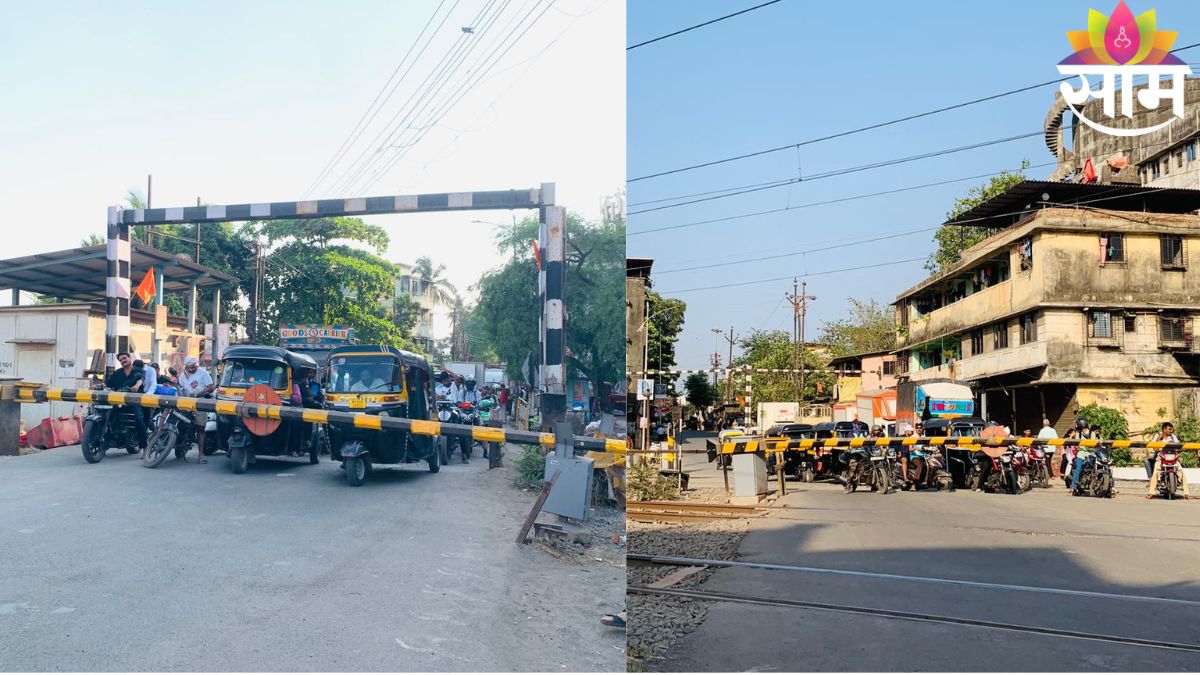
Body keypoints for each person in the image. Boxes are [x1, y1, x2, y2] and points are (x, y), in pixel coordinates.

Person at [105, 352, 148, 450]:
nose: (123, 361)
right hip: (120, 400)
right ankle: (111, 437)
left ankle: (144, 446)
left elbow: (141, 379)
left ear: (130, 358)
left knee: (138, 418)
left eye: (124, 358)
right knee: (109, 414)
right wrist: (97, 385)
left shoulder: (138, 370)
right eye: (120, 360)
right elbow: (108, 383)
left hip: (135, 400)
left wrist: (136, 386)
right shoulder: (118, 372)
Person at [177, 356, 215, 464]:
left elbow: (210, 387)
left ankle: (201, 454)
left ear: (196, 366)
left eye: (192, 367)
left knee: (200, 428)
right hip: (185, 402)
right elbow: (179, 388)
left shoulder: (203, 373)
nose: (190, 369)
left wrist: (198, 393)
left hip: (200, 402)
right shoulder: (183, 375)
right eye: (188, 367)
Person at [1145, 422, 1190, 499]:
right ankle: (1151, 493)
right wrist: (1159, 439)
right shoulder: (1157, 436)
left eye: (1171, 429)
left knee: (1182, 473)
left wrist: (1177, 446)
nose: (1171, 431)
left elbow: (1179, 446)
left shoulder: (1173, 437)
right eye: (1169, 429)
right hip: (1161, 458)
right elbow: (1155, 448)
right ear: (1164, 430)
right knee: (1156, 473)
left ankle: (1186, 493)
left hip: (1173, 459)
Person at [974, 420, 1008, 492]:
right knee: (985, 467)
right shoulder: (984, 435)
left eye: (995, 427)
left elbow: (1004, 443)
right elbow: (982, 446)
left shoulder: (1000, 435)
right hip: (987, 455)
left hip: (998, 454)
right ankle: (979, 486)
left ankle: (1008, 486)